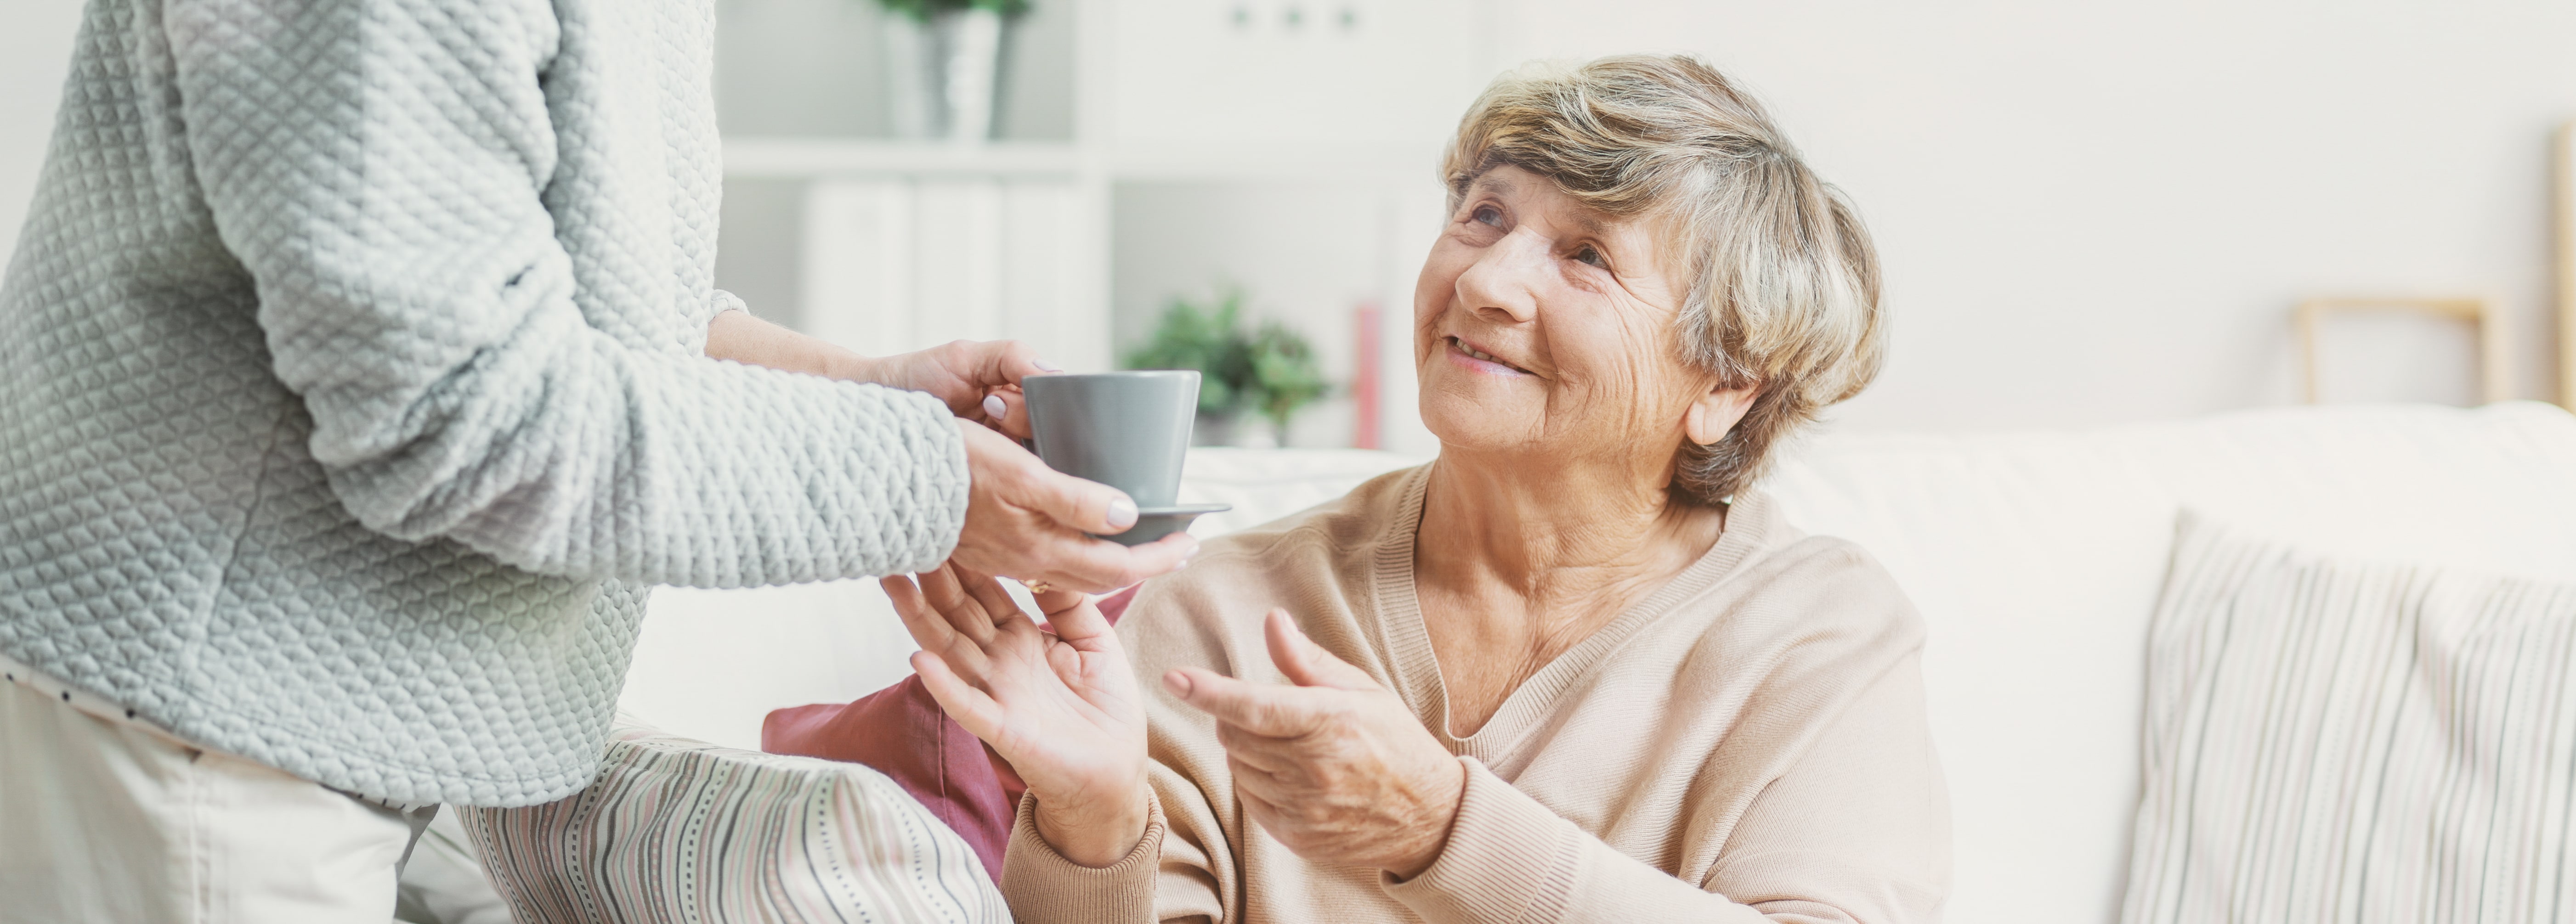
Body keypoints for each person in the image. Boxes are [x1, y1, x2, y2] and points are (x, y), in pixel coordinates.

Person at [0, 0, 1188, 920]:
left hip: (372, 719)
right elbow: (460, 413)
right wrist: (931, 485)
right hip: (211, 714)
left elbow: (564, 299)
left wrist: (863, 392)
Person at [888, 54, 1949, 922]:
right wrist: (1094, 820)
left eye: (1585, 255)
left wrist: (1444, 830)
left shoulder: (1813, 634)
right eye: (1484, 217)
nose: (1484, 283)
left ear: (1723, 382)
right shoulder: (1228, 608)